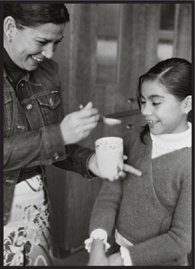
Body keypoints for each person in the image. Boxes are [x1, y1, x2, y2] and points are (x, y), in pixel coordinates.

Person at [3, 3, 142, 266]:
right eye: (42, 41)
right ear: (10, 27)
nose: (49, 53)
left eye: (57, 43)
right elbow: (54, 137)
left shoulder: (46, 73)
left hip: (34, 209)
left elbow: (54, 148)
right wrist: (58, 134)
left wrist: (91, 162)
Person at [85, 58, 192, 266]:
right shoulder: (133, 140)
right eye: (143, 101)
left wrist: (123, 259)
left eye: (156, 103)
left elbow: (181, 239)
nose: (145, 111)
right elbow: (109, 196)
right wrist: (98, 247)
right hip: (115, 250)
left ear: (186, 104)